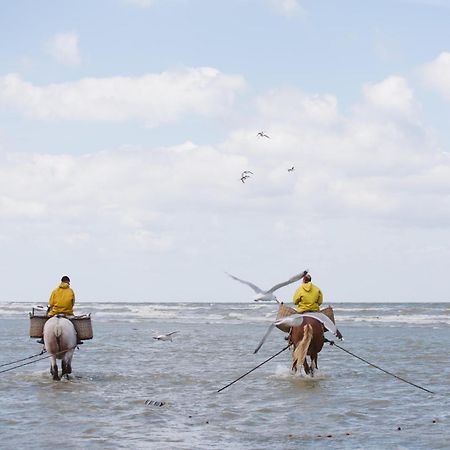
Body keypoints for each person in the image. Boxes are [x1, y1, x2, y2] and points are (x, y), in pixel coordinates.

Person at [37, 276, 79, 344]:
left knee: (46, 323)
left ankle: (42, 338)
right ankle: (78, 339)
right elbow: (72, 303)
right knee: (74, 325)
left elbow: (51, 303)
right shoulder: (71, 291)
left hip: (54, 312)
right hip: (67, 313)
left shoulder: (55, 291)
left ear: (61, 281)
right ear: (68, 282)